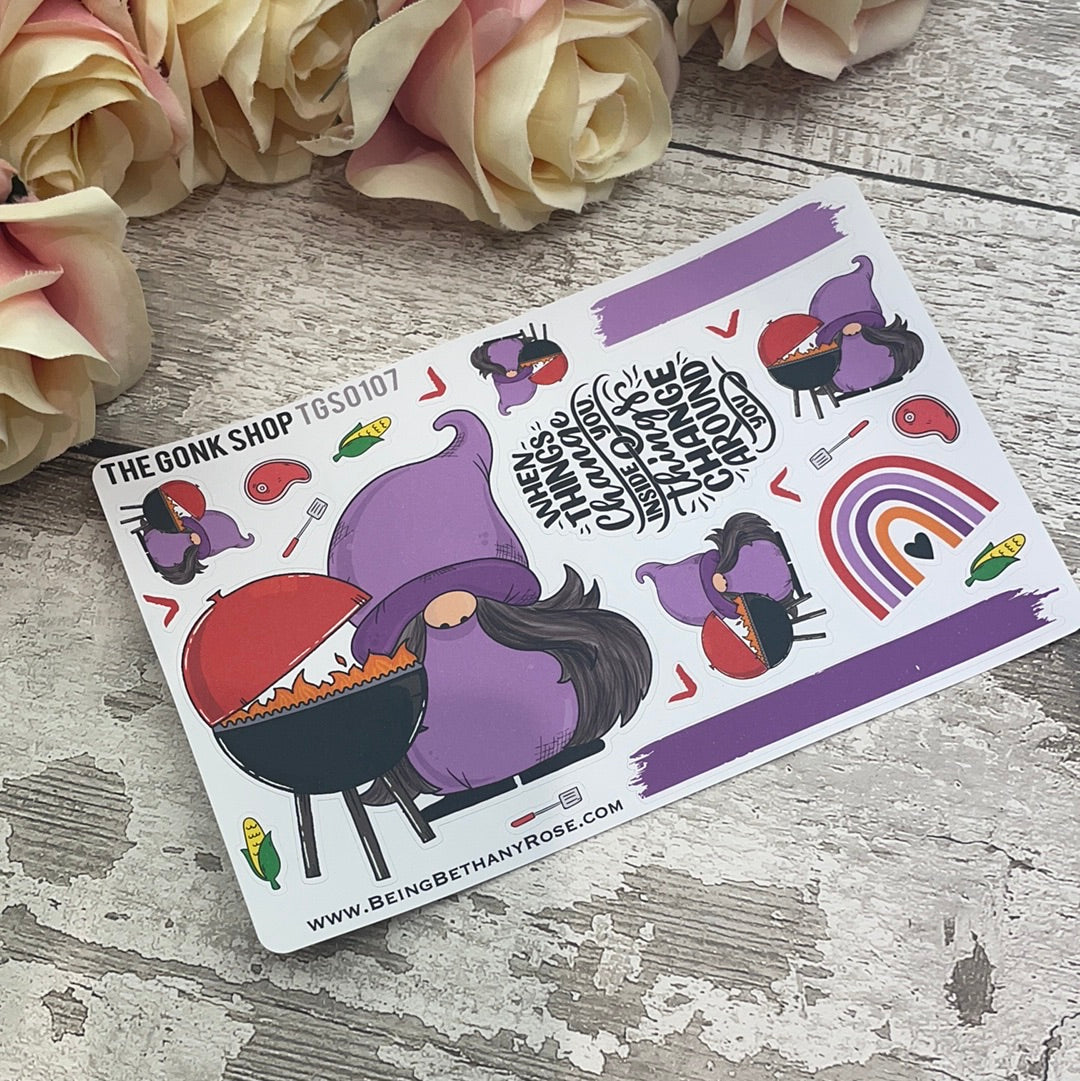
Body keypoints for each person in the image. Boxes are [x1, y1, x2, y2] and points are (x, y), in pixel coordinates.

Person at [327, 410, 652, 815]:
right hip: (459, 793)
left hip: (567, 756)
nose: (445, 612)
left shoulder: (538, 637)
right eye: (418, 600)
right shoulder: (407, 685)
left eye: (455, 586)